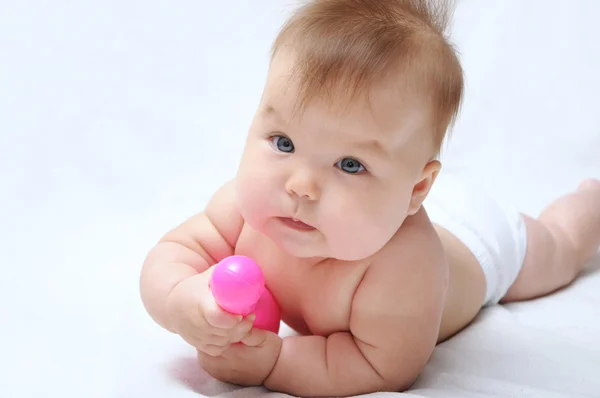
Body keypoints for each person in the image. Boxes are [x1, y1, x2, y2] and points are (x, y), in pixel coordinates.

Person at [139, 0, 600, 396]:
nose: (301, 185)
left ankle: (590, 203)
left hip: (475, 239)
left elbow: (380, 365)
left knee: (556, 251)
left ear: (416, 188)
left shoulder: (402, 265)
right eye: (283, 143)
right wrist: (182, 300)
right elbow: (173, 254)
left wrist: (275, 363)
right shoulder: (243, 210)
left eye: (349, 164)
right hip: (382, 207)